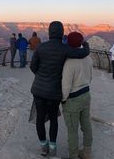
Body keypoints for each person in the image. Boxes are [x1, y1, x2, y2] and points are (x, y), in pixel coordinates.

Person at [30, 21, 91, 156]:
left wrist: (41, 76)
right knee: (53, 119)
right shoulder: (64, 48)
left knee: (40, 118)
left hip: (38, 90)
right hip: (54, 92)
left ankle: (43, 146)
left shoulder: (41, 47)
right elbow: (83, 53)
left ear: (49, 32)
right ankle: (52, 148)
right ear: (62, 33)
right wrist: (85, 43)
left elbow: (32, 67)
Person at [61, 32, 93, 159]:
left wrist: (63, 99)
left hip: (73, 99)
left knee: (72, 130)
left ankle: (73, 155)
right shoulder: (88, 58)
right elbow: (90, 77)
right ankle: (87, 153)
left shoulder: (69, 62)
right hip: (86, 94)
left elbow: (66, 86)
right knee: (86, 125)